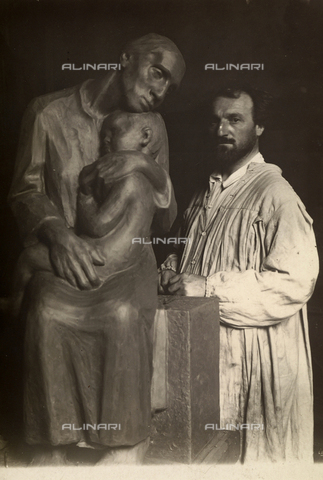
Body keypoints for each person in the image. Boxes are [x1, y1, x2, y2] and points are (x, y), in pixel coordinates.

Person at [8, 33, 185, 465]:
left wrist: (146, 166)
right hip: (66, 253)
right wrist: (58, 234)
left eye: (170, 86)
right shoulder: (48, 112)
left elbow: (165, 219)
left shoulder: (152, 128)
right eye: (157, 72)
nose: (160, 90)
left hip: (126, 259)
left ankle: (125, 442)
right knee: (46, 309)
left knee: (122, 315)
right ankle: (53, 442)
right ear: (125, 58)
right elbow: (25, 192)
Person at [159, 84, 319, 462]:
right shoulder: (203, 193)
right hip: (201, 351)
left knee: (250, 456)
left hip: (256, 357)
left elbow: (295, 281)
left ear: (259, 126)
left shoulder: (276, 194)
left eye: (234, 119)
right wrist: (166, 273)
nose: (221, 130)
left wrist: (209, 286)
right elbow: (179, 253)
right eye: (215, 120)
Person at [12, 110, 171, 314]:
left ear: (145, 136)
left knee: (29, 258)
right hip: (115, 257)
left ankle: (14, 307)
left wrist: (85, 194)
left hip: (105, 260)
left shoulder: (132, 181)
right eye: (104, 133)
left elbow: (97, 226)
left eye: (114, 131)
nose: (105, 139)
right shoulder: (140, 179)